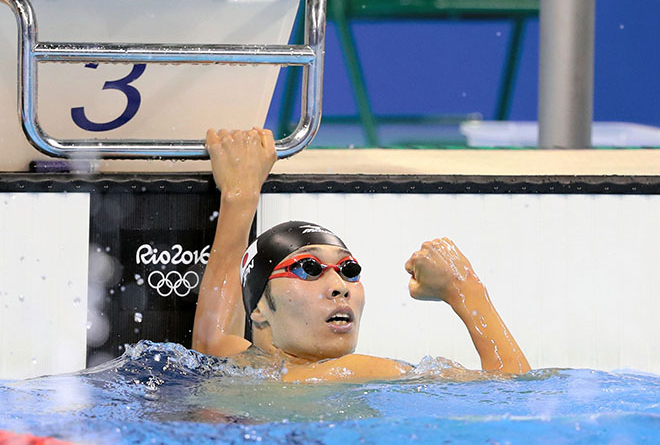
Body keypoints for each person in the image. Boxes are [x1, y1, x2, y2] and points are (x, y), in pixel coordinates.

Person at [193, 128, 531, 382]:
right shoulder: (352, 373)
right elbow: (516, 394)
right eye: (309, 268)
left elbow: (210, 338)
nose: (340, 285)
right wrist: (464, 289)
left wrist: (240, 196)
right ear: (259, 309)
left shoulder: (236, 366)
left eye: (349, 269)